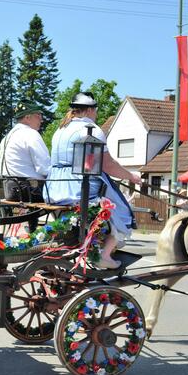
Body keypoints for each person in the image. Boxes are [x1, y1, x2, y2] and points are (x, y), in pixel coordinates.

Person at [45, 92, 142, 269]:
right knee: (123, 209)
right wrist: (131, 176)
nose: (96, 114)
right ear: (89, 110)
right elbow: (108, 165)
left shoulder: (60, 129)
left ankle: (94, 244)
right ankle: (104, 254)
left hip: (54, 186)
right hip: (78, 187)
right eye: (96, 110)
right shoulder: (91, 130)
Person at [0, 102, 51, 232]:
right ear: (27, 117)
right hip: (29, 190)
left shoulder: (7, 137)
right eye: (38, 116)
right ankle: (65, 232)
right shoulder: (31, 134)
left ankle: (32, 227)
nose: (41, 120)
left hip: (9, 188)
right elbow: (44, 167)